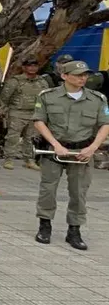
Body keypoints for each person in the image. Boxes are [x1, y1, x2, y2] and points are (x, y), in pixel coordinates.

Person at [31, 60, 109, 250]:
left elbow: (105, 125)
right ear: (64, 76)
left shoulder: (97, 99)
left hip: (82, 151)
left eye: (85, 75)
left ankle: (74, 230)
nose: (83, 78)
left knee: (79, 191)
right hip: (53, 150)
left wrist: (92, 148)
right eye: (77, 75)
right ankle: (45, 225)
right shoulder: (48, 97)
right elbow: (39, 122)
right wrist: (55, 145)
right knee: (48, 189)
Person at [0, 57, 51, 170]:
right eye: (29, 66)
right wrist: (3, 110)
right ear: (24, 67)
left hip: (34, 114)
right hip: (17, 113)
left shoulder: (42, 82)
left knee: (31, 138)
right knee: (13, 137)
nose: (32, 68)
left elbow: (46, 98)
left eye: (35, 66)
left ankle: (29, 160)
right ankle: (9, 159)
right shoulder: (16, 81)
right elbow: (5, 97)